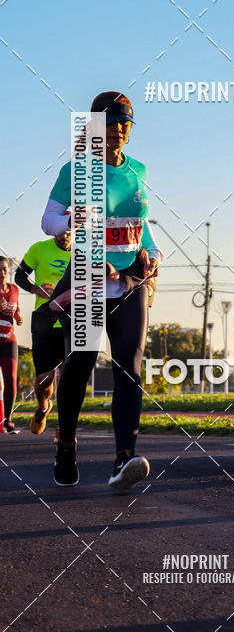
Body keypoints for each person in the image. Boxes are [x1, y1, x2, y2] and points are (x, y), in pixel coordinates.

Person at [39, 91, 162, 488]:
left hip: (130, 281)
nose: (118, 130)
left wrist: (153, 253)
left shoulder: (139, 169)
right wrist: (67, 230)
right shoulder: (76, 170)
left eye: (125, 122)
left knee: (131, 364)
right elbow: (50, 218)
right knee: (80, 364)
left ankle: (123, 457)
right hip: (88, 281)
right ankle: (65, 444)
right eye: (110, 123)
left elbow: (141, 227)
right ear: (95, 128)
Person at [15, 230, 71, 434]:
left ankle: (65, 427)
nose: (64, 235)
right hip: (44, 320)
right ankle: (43, 407)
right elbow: (19, 275)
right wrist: (36, 289)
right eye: (59, 232)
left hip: (73, 321)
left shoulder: (84, 253)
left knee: (69, 377)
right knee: (44, 380)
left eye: (68, 232)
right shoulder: (39, 248)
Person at [0, 256, 23, 433]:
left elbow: (16, 309)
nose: (2, 273)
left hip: (9, 341)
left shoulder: (14, 289)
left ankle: (8, 420)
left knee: (11, 379)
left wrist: (18, 316)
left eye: (5, 269)